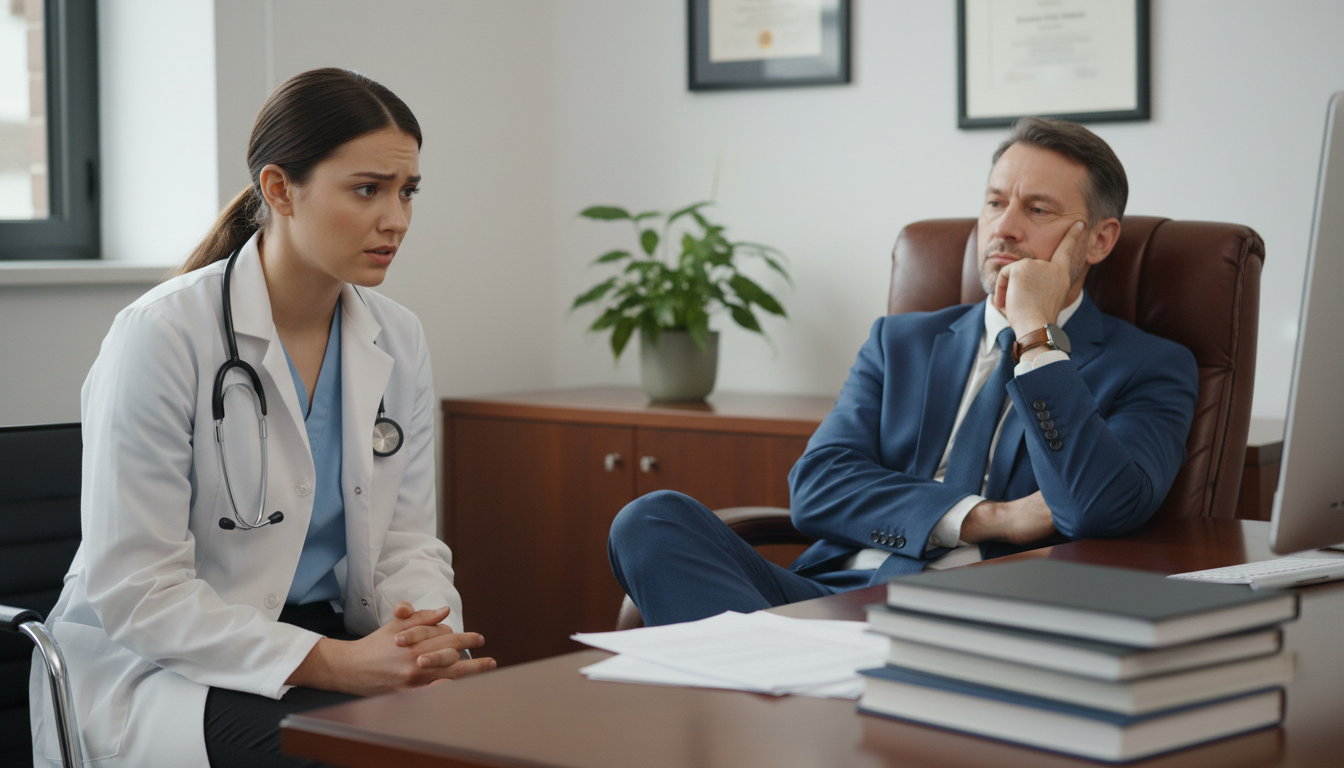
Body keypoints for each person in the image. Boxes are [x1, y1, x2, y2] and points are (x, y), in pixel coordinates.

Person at [29, 68, 495, 768]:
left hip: (331, 637)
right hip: (169, 666)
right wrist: (337, 665)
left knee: (487, 738)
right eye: (367, 189)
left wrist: (420, 640)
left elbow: (405, 542)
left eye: (407, 192)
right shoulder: (162, 334)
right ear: (279, 190)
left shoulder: (396, 338)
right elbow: (137, 591)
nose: (395, 218)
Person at [608, 117, 1199, 627]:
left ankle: (779, 686)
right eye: (995, 202)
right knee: (649, 519)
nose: (1004, 227)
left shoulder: (1149, 367)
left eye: (1037, 209)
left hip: (978, 616)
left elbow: (1095, 508)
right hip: (828, 597)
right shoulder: (901, 342)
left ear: (1098, 239)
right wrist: (990, 517)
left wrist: (1034, 337)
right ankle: (790, 669)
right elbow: (816, 486)